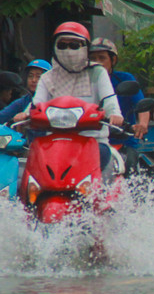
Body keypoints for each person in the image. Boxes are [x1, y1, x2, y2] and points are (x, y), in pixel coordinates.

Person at [13, 21, 124, 177]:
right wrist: (25, 115)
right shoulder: (47, 78)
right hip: (53, 144)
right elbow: (36, 104)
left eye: (74, 45)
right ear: (54, 48)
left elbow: (109, 99)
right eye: (62, 45)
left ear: (85, 47)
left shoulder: (97, 72)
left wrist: (115, 115)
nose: (68, 50)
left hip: (93, 141)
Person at [90, 37, 149, 139]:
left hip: (123, 140)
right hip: (91, 139)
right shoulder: (82, 81)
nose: (97, 62)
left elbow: (141, 105)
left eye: (102, 58)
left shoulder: (125, 79)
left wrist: (142, 125)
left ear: (113, 60)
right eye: (93, 59)